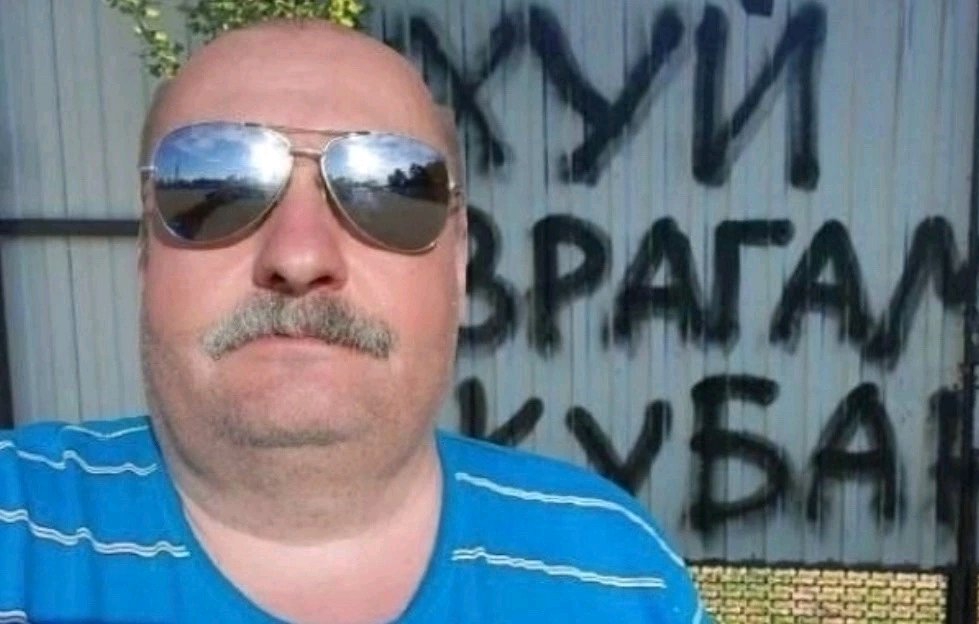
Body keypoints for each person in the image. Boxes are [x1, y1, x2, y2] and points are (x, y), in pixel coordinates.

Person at [0, 19, 709, 624]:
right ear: (146, 253)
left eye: (386, 187)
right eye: (215, 183)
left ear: (458, 262)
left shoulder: (619, 574)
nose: (299, 256)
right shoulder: (18, 529)